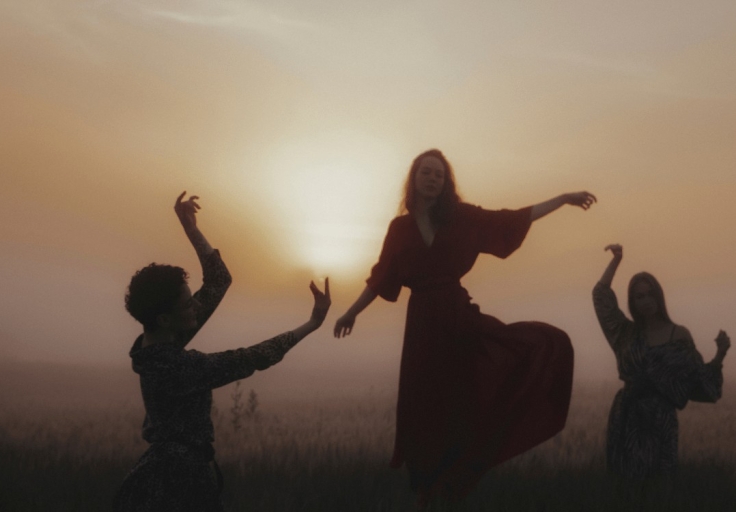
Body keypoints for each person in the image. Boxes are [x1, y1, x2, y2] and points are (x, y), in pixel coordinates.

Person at [333, 149, 595, 507]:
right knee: (422, 406)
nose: (432, 179)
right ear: (413, 179)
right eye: (426, 172)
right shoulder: (400, 229)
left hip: (458, 319)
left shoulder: (462, 217)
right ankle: (427, 491)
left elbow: (511, 219)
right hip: (422, 327)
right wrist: (351, 313)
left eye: (439, 174)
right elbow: (381, 277)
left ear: (446, 183)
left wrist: (562, 199)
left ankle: (451, 487)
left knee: (462, 401)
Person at [113, 192, 331, 512]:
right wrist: (312, 323)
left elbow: (218, 279)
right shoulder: (177, 367)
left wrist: (191, 228)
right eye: (188, 303)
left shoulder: (160, 342)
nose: (196, 305)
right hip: (178, 486)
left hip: (165, 476)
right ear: (165, 318)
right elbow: (252, 358)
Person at [593, 243, 729, 480]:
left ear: (659, 295)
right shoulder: (625, 333)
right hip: (626, 416)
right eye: (639, 296)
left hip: (660, 419)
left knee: (660, 485)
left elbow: (699, 379)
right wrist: (616, 261)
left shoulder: (679, 335)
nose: (646, 300)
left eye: (650, 293)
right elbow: (601, 296)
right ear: (632, 302)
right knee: (625, 487)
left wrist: (720, 355)